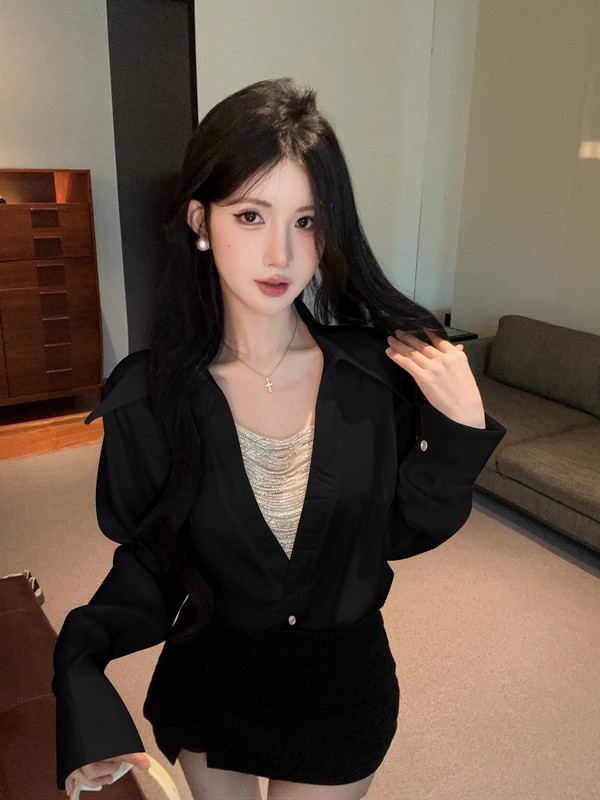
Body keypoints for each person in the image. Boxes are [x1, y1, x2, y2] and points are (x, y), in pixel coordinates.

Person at [53, 77, 506, 800]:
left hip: (341, 692)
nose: (281, 254)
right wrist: (81, 682)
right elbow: (153, 565)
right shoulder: (151, 398)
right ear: (200, 220)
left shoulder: (375, 375)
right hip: (214, 685)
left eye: (306, 221)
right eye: (251, 215)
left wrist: (457, 431)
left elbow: (400, 532)